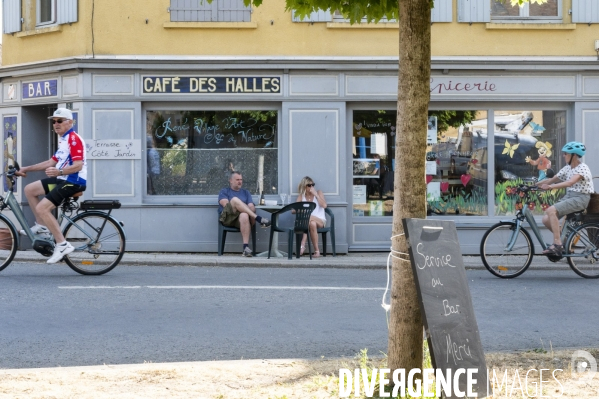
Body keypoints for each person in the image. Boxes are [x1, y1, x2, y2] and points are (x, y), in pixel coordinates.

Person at [15, 108, 87, 264]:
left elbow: (78, 165)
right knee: (30, 190)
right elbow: (49, 163)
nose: (56, 124)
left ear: (70, 122)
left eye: (59, 121)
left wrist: (59, 171)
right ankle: (42, 226)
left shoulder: (74, 139)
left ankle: (62, 244)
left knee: (42, 208)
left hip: (73, 182)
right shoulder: (63, 140)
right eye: (54, 121)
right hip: (62, 180)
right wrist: (25, 168)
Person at [536, 142, 594, 257]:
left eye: (565, 153)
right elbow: (552, 179)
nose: (563, 155)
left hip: (580, 198)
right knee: (546, 219)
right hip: (570, 196)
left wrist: (550, 187)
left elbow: (570, 182)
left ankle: (558, 244)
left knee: (551, 210)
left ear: (574, 155)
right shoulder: (568, 168)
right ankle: (566, 240)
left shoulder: (582, 168)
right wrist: (533, 185)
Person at [218, 171, 270, 257]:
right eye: (237, 179)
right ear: (230, 180)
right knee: (234, 200)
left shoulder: (246, 192)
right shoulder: (224, 191)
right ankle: (259, 219)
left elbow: (252, 208)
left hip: (240, 220)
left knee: (244, 215)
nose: (240, 181)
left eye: (241, 180)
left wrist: (243, 209)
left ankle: (245, 248)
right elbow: (226, 205)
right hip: (228, 218)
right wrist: (240, 205)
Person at [295, 176, 327, 258]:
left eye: (313, 185)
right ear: (304, 186)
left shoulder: (318, 193)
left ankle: (303, 243)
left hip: (320, 220)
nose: (311, 187)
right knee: (312, 223)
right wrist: (302, 210)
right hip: (309, 222)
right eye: (309, 185)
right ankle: (317, 251)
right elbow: (293, 210)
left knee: (309, 218)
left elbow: (324, 205)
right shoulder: (301, 196)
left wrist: (315, 194)